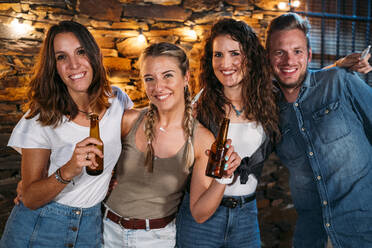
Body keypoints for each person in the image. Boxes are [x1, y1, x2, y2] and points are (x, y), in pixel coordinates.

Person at [0, 21, 133, 247]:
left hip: (91, 224)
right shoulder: (42, 117)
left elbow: (144, 133)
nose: (73, 65)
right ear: (54, 67)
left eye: (80, 52)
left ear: (94, 55)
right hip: (41, 225)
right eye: (61, 57)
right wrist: (68, 170)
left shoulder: (118, 100)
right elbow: (30, 198)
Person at [101, 42, 241, 248]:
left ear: (186, 78)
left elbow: (200, 213)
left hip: (156, 239)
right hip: (105, 231)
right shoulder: (128, 120)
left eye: (167, 75)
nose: (158, 87)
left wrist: (223, 178)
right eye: (150, 79)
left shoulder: (202, 139)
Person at [266, 12, 372, 247]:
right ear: (268, 58)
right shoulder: (270, 113)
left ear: (309, 55)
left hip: (362, 233)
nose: (289, 60)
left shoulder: (338, 82)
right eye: (279, 52)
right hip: (311, 237)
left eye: (297, 51)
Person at [176, 18, 280, 248]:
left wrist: (337, 66)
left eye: (235, 53)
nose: (225, 63)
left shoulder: (270, 101)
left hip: (246, 216)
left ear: (250, 57)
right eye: (218, 55)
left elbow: (301, 82)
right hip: (201, 223)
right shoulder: (200, 107)